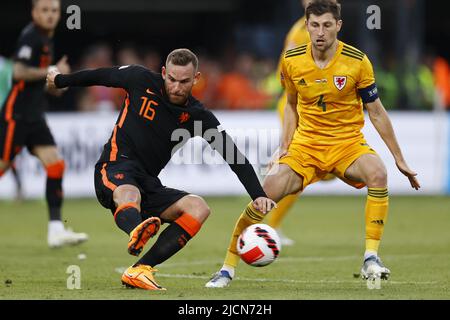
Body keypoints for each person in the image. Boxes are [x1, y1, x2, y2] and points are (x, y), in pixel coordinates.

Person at [205, 0, 420, 288]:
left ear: (338, 26)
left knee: (378, 172)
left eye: (327, 25)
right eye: (315, 25)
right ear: (306, 26)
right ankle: (227, 269)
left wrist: (399, 157)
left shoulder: (357, 61)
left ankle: (371, 257)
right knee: (263, 193)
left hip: (347, 145)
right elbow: (290, 105)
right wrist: (284, 146)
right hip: (306, 147)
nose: (320, 32)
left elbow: (377, 111)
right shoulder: (292, 59)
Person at [46, 48, 276, 290]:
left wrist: (258, 194)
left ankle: (140, 270)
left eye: (184, 82)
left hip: (148, 182)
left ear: (196, 79)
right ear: (164, 73)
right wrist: (61, 80)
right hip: (114, 166)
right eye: (172, 79)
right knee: (129, 192)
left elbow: (233, 156)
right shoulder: (140, 79)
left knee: (198, 208)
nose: (176, 87)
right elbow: (100, 75)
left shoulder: (198, 116)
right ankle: (136, 229)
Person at [0, 0, 88, 247]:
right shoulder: (31, 36)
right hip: (16, 116)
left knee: (56, 165)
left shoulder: (46, 40)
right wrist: (52, 71)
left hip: (34, 117)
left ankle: (56, 230)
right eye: (45, 11)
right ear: (34, 12)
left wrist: (58, 81)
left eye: (54, 11)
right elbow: (18, 71)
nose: (50, 15)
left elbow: (44, 83)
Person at [266, 0, 337, 246]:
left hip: (308, 106)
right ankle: (267, 225)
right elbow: (286, 74)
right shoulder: (303, 31)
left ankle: (268, 222)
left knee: (320, 171)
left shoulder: (309, 27)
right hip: (296, 106)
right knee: (299, 170)